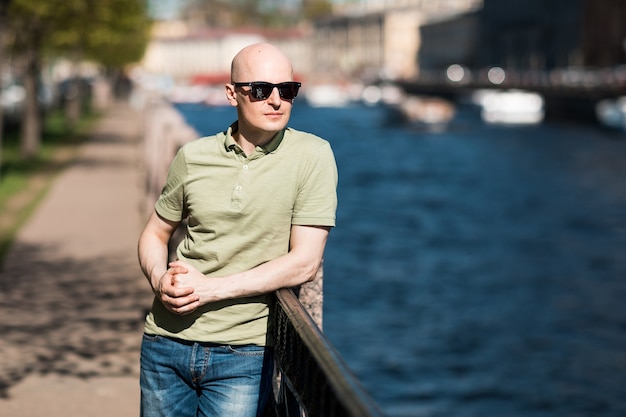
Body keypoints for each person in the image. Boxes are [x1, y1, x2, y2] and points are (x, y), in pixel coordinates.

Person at [137, 42, 338, 417]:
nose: (276, 100)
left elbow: (304, 263)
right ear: (232, 93)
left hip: (242, 352)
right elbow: (155, 232)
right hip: (165, 342)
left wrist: (210, 289)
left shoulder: (313, 156)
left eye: (288, 90)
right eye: (261, 90)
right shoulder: (193, 157)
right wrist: (158, 277)